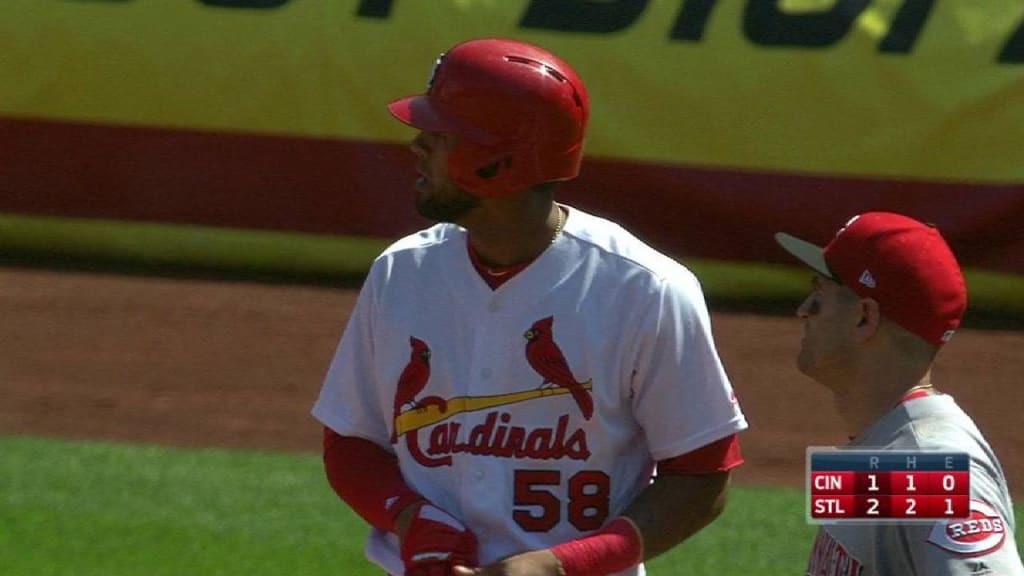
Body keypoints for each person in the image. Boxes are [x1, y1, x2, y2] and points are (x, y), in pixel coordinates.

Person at [311, 37, 748, 576]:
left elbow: (703, 476)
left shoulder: (646, 289)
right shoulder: (402, 271)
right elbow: (351, 440)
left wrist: (561, 564)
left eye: (440, 135)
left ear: (498, 162)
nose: (417, 145)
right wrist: (413, 520)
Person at [775, 212, 1024, 575]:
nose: (802, 311)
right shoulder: (882, 451)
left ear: (864, 318)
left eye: (819, 293)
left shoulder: (931, 465)